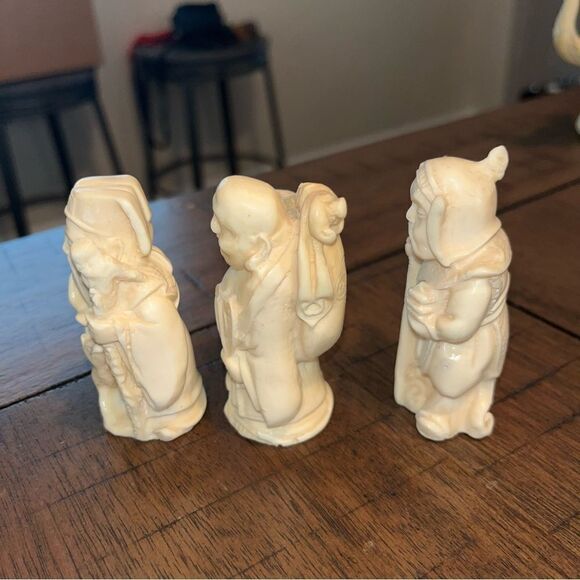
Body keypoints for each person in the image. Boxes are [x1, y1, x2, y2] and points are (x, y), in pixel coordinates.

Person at [64, 175, 206, 441]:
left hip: (164, 408)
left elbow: (164, 346)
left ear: (115, 252)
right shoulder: (96, 289)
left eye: (81, 248)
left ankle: (164, 418)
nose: (70, 254)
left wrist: (118, 330)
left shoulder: (149, 299)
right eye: (70, 245)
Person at [212, 176, 347, 446]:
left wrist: (237, 365)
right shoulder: (264, 254)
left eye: (226, 229)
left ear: (261, 248)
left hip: (273, 405)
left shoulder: (271, 300)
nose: (213, 226)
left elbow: (280, 402)